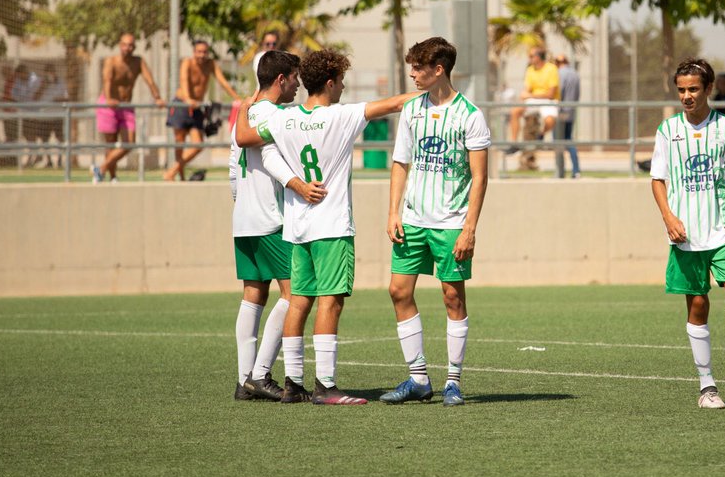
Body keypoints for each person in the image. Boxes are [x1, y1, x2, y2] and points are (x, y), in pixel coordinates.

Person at [234, 49, 419, 406]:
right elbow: (396, 103)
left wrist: (244, 109)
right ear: (331, 83)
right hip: (332, 226)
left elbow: (245, 137)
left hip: (297, 228)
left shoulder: (285, 120)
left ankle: (293, 383)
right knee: (330, 302)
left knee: (299, 301)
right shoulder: (343, 116)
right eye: (342, 82)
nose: (344, 89)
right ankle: (326, 386)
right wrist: (436, 95)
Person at [650, 57, 725, 410]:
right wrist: (668, 217)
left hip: (723, 232)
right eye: (682, 90)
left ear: (709, 89)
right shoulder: (668, 130)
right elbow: (657, 180)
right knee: (698, 304)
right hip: (686, 236)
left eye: (693, 89)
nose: (687, 96)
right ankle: (707, 386)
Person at [381, 37, 489, 407]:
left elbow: (480, 177)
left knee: (452, 296)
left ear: (438, 69)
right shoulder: (412, 109)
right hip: (412, 219)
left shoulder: (470, 115)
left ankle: (454, 382)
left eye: (417, 67)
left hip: (450, 222)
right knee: (398, 291)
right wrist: (393, 211)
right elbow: (401, 164)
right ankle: (418, 379)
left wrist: (469, 228)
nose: (412, 73)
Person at [229, 50, 328, 402]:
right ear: (281, 79)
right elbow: (250, 146)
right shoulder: (273, 115)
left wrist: (241, 204)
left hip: (244, 218)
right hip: (271, 219)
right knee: (294, 294)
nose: (299, 84)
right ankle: (260, 374)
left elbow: (232, 164)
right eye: (295, 78)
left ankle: (244, 380)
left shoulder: (247, 111)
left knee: (254, 295)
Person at [164, 40, 240, 181]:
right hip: (182, 104)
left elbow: (222, 81)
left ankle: (172, 171)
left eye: (204, 52)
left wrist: (237, 98)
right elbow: (184, 81)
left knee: (198, 144)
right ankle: (179, 175)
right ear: (194, 52)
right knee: (179, 143)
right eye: (199, 51)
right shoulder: (187, 62)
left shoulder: (210, 64)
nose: (202, 55)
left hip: (196, 107)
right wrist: (188, 99)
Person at [95, 33, 164, 183]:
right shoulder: (111, 61)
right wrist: (108, 99)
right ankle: (112, 176)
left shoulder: (138, 62)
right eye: (125, 44)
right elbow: (107, 80)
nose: (128, 48)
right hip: (109, 105)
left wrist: (157, 97)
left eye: (131, 45)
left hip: (126, 106)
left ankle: (101, 168)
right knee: (110, 144)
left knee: (129, 143)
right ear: (120, 45)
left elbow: (150, 80)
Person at [505, 46, 560, 154]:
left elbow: (550, 94)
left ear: (539, 57)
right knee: (515, 111)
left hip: (548, 101)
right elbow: (527, 91)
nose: (529, 58)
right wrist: (526, 96)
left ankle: (541, 135)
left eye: (531, 56)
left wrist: (531, 95)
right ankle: (514, 143)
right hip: (534, 100)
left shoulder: (551, 69)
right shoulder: (530, 70)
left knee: (549, 121)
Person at [33, 65, 69, 168]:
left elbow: (67, 98)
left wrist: (58, 100)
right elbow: (34, 98)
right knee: (44, 139)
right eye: (48, 72)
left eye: (51, 72)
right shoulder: (39, 83)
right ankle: (48, 160)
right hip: (44, 116)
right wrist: (43, 86)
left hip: (57, 115)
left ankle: (60, 160)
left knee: (60, 138)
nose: (50, 75)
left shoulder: (61, 83)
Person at [553, 54, 581, 179]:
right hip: (571, 111)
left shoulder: (560, 74)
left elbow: (559, 92)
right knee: (569, 140)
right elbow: (577, 94)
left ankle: (560, 171)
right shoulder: (575, 74)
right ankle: (576, 169)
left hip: (561, 111)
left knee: (559, 141)